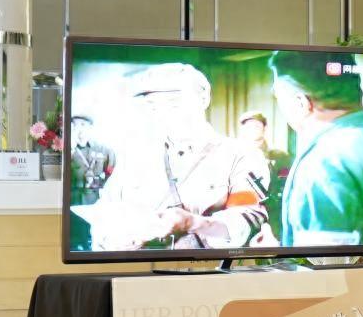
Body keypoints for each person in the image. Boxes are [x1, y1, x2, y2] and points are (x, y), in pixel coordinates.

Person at [85, 63, 268, 251]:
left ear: (203, 99)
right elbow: (106, 211)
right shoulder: (136, 156)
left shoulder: (241, 155)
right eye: (153, 106)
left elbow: (247, 218)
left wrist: (193, 223)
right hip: (139, 266)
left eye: (173, 103)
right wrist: (109, 239)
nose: (162, 115)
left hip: (208, 267)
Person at [269, 51, 363, 248]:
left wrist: (279, 254)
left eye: (277, 97)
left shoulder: (322, 164)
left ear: (301, 103)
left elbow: (323, 261)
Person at [238, 111, 291, 224]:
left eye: (256, 126)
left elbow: (285, 185)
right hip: (243, 215)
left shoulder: (280, 157)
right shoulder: (235, 157)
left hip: (273, 214)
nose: (252, 130)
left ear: (265, 128)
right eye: (248, 127)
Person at [68, 114, 115, 207]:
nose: (79, 129)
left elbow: (112, 175)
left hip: (96, 202)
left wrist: (98, 184)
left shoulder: (104, 150)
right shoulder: (66, 150)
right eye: (75, 125)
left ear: (90, 127)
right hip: (72, 203)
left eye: (82, 124)